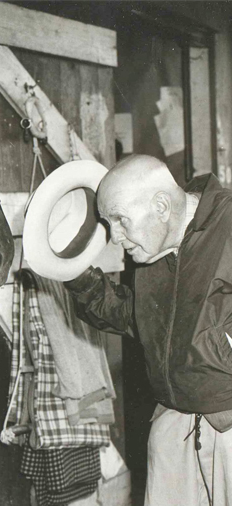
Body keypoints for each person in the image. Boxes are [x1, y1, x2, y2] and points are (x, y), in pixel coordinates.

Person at [64, 154, 232, 506]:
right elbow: (133, 316)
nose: (115, 237)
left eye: (120, 221)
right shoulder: (154, 250)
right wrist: (79, 277)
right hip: (174, 424)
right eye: (109, 224)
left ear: (160, 205)